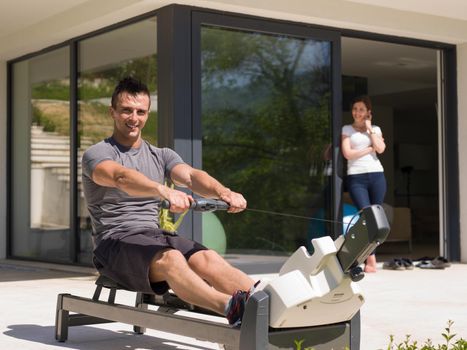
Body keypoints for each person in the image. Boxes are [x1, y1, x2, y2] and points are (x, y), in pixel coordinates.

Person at [82, 77, 255, 325]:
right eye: (126, 111)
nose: (134, 118)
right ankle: (231, 308)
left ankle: (269, 302)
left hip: (154, 235)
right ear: (113, 112)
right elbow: (120, 178)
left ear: (147, 114)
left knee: (207, 258)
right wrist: (162, 190)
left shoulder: (161, 155)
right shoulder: (98, 153)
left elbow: (193, 176)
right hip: (114, 243)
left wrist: (223, 191)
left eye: (140, 112)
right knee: (172, 258)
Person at [341, 95, 386, 273]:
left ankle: (370, 255)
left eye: (361, 109)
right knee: (366, 216)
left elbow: (381, 149)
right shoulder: (346, 129)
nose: (357, 112)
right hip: (356, 177)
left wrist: (369, 129)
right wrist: (369, 149)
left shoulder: (375, 129)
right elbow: (348, 154)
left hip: (377, 175)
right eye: (355, 109)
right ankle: (370, 257)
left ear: (368, 112)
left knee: (376, 217)